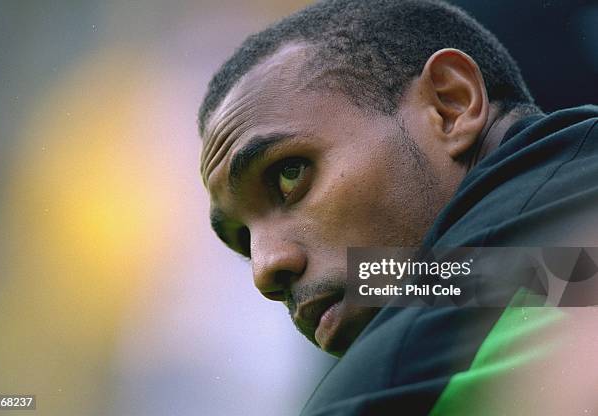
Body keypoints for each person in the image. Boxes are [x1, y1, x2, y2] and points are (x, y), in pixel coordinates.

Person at [198, 0, 598, 414]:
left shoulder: (405, 369)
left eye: (289, 175)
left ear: (450, 105)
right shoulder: (495, 274)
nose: (265, 270)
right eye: (244, 240)